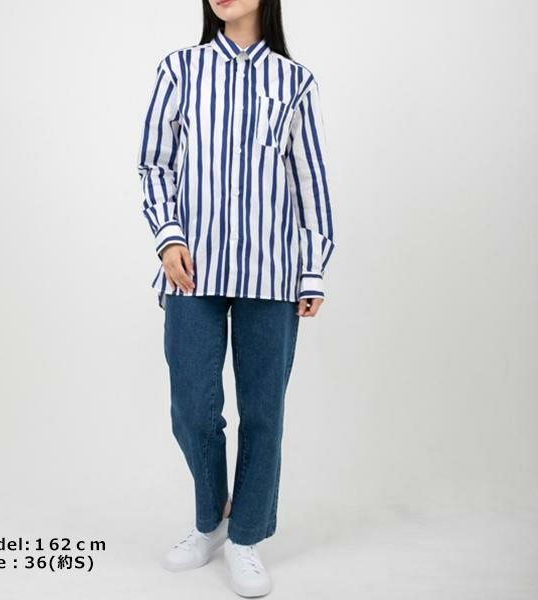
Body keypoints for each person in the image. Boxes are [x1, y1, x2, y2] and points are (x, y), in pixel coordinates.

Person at [136, 0, 335, 596]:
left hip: (272, 272)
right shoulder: (180, 68)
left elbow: (310, 180)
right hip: (192, 271)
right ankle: (212, 518)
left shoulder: (294, 81)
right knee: (192, 407)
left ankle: (245, 536)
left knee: (264, 411)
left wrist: (312, 269)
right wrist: (168, 236)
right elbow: (155, 165)